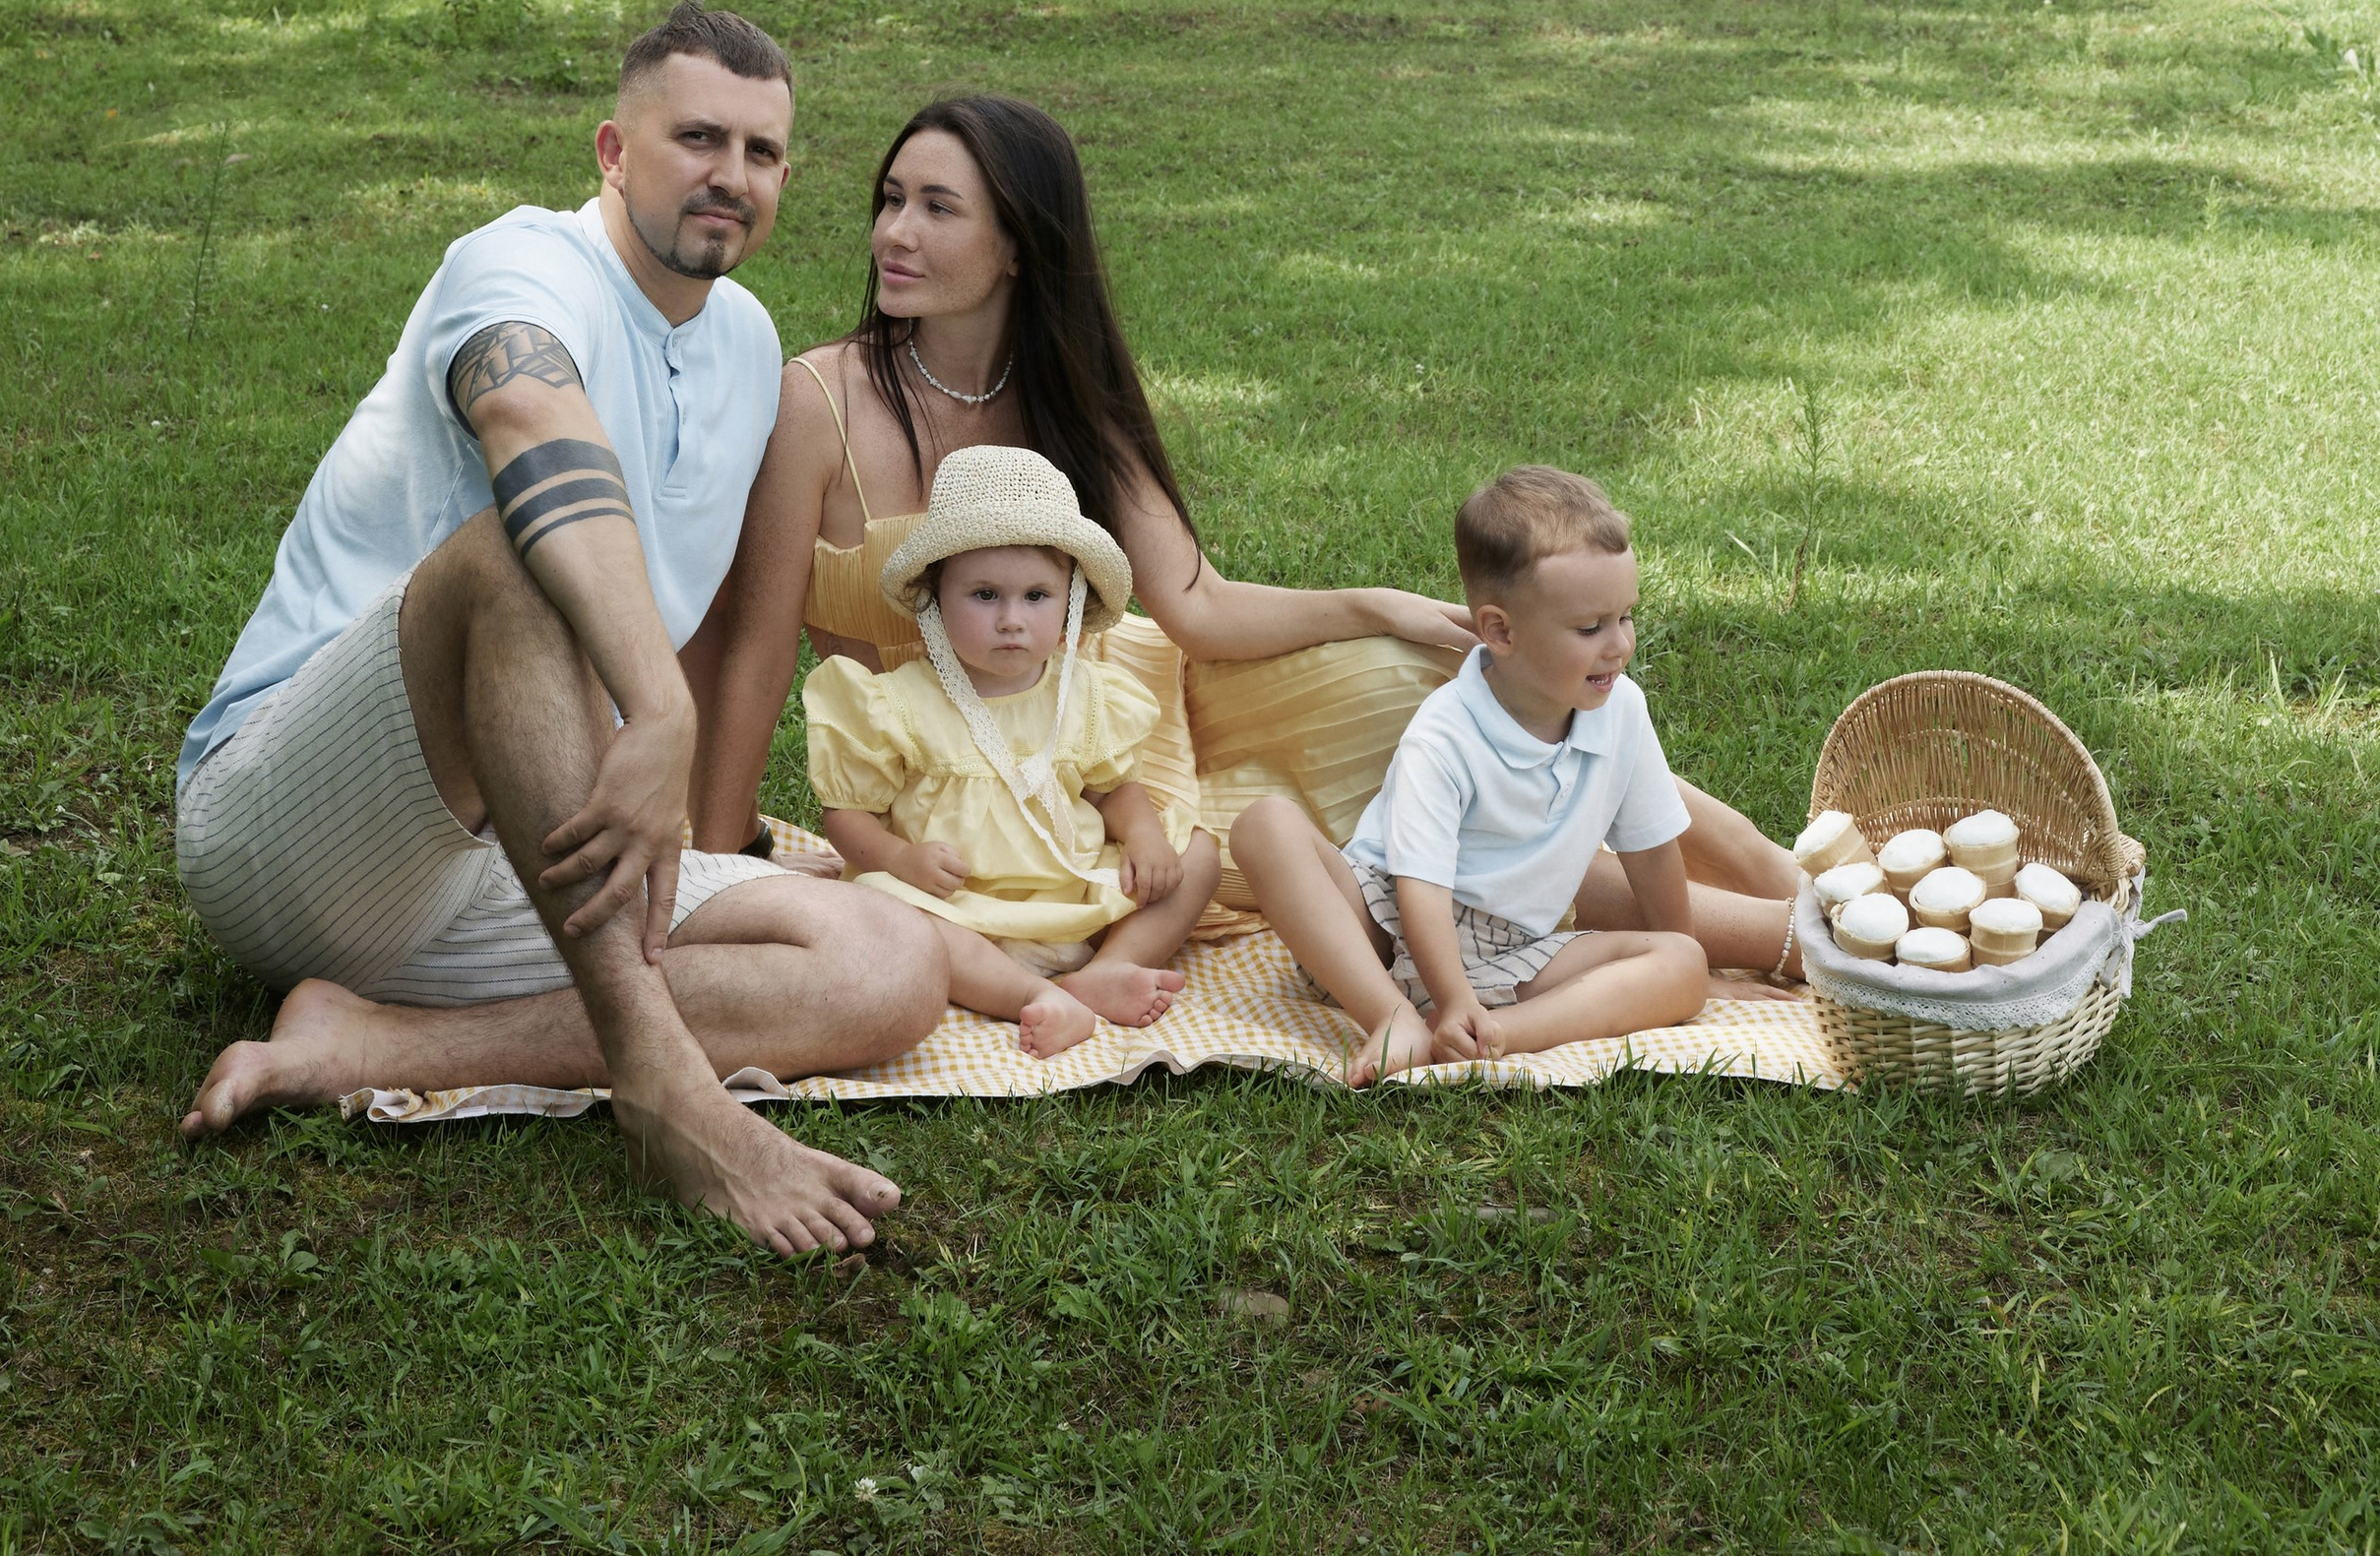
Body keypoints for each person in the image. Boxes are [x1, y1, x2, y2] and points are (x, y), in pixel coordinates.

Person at [174, 3, 947, 1258]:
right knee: (515, 555)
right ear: (612, 148)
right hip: (298, 821)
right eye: (698, 136)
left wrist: (718, 848)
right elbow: (535, 433)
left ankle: (366, 1042)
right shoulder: (519, 266)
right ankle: (661, 1086)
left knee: (890, 963)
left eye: (762, 152)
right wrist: (661, 711)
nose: (730, 177)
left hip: (524, 855)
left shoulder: (747, 345)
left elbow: (699, 615)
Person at [692, 93, 1804, 965]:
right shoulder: (819, 398)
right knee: (1402, 813)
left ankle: (1777, 869)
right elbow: (752, 646)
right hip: (1015, 783)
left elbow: (1200, 604)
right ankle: (1782, 939)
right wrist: (718, 854)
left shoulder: (1067, 398)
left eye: (938, 207)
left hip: (1127, 694)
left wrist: (1373, 606)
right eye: (891, 198)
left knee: (1429, 679)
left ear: (1019, 243)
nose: (894, 230)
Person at [1232, 466, 1760, 1080]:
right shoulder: (1445, 732)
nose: (1617, 644)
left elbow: (1651, 852)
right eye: (1590, 628)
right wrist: (1451, 995)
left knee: (1678, 963)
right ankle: (1392, 1016)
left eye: (1625, 617)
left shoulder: (1622, 711)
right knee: (1263, 826)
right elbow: (1420, 887)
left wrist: (1689, 964)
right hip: (1380, 925)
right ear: (1499, 631)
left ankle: (1492, 1035)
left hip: (1515, 950)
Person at [806, 446, 1223, 1057]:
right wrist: (900, 861)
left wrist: (1143, 837)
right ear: (934, 600)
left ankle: (1108, 966)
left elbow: (1114, 791)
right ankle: (1031, 995)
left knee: (1199, 854)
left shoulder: (1081, 694)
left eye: (1036, 596)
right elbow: (846, 818)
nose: (1011, 620)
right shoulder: (897, 704)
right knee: (890, 913)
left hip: (1073, 896)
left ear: (1071, 602)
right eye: (984, 595)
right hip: (959, 910)